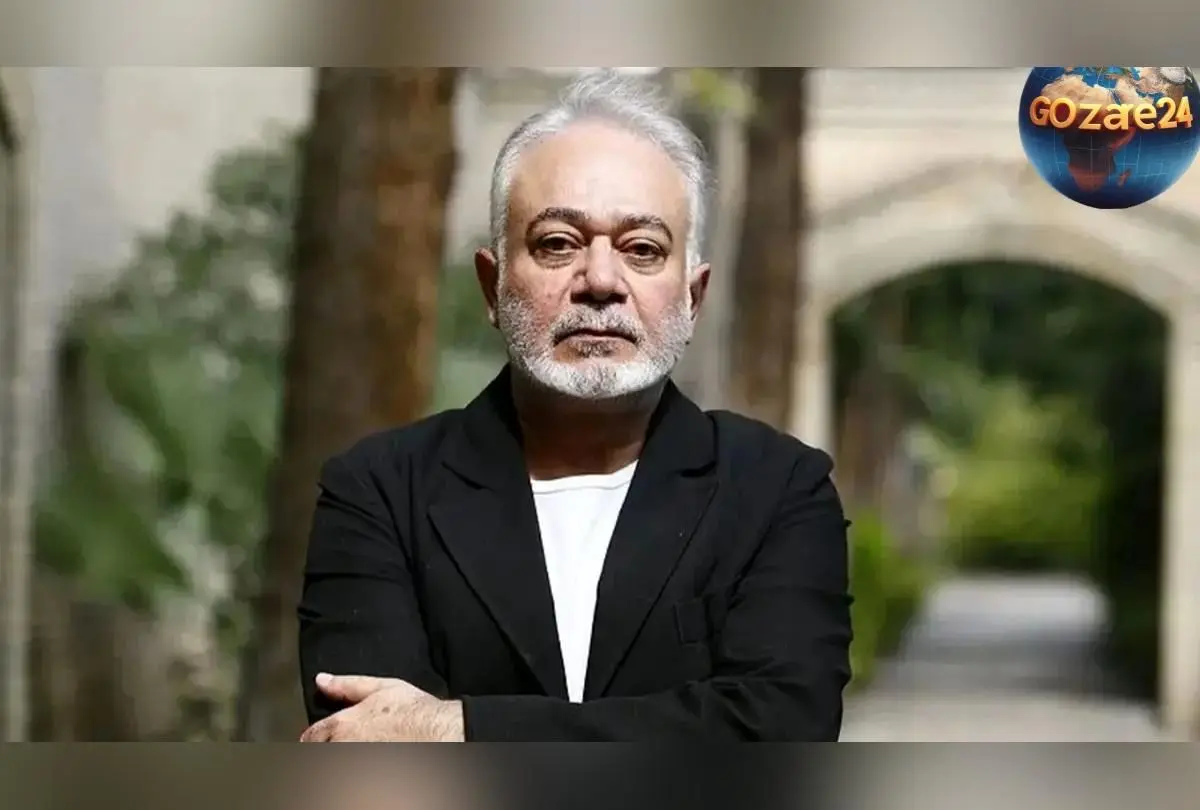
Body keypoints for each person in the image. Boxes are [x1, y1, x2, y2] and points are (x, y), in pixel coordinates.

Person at [297, 69, 852, 742]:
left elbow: (781, 733)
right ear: (493, 286)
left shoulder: (776, 490)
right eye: (557, 243)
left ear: (693, 297)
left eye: (642, 250)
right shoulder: (381, 492)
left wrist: (458, 727)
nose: (600, 281)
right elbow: (367, 747)